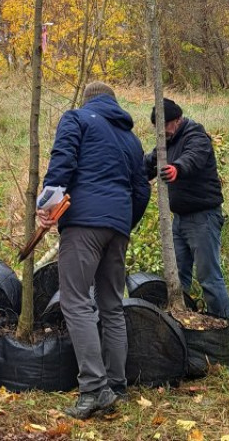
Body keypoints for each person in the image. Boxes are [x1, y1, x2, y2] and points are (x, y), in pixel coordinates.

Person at [37, 81, 150, 419]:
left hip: (83, 224)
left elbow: (62, 163)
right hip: (118, 227)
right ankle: (116, 386)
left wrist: (47, 205)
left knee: (75, 301)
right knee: (112, 306)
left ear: (88, 101)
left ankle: (94, 389)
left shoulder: (76, 118)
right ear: (113, 103)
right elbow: (141, 190)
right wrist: (122, 223)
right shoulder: (131, 139)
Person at [144, 97, 229, 319]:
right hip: (179, 219)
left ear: (178, 120)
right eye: (158, 128)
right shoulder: (167, 142)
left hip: (203, 218)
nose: (162, 132)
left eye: (165, 126)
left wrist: (176, 169)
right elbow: (149, 163)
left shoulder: (196, 136)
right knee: (177, 277)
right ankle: (184, 322)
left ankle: (224, 324)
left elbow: (193, 158)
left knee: (209, 278)